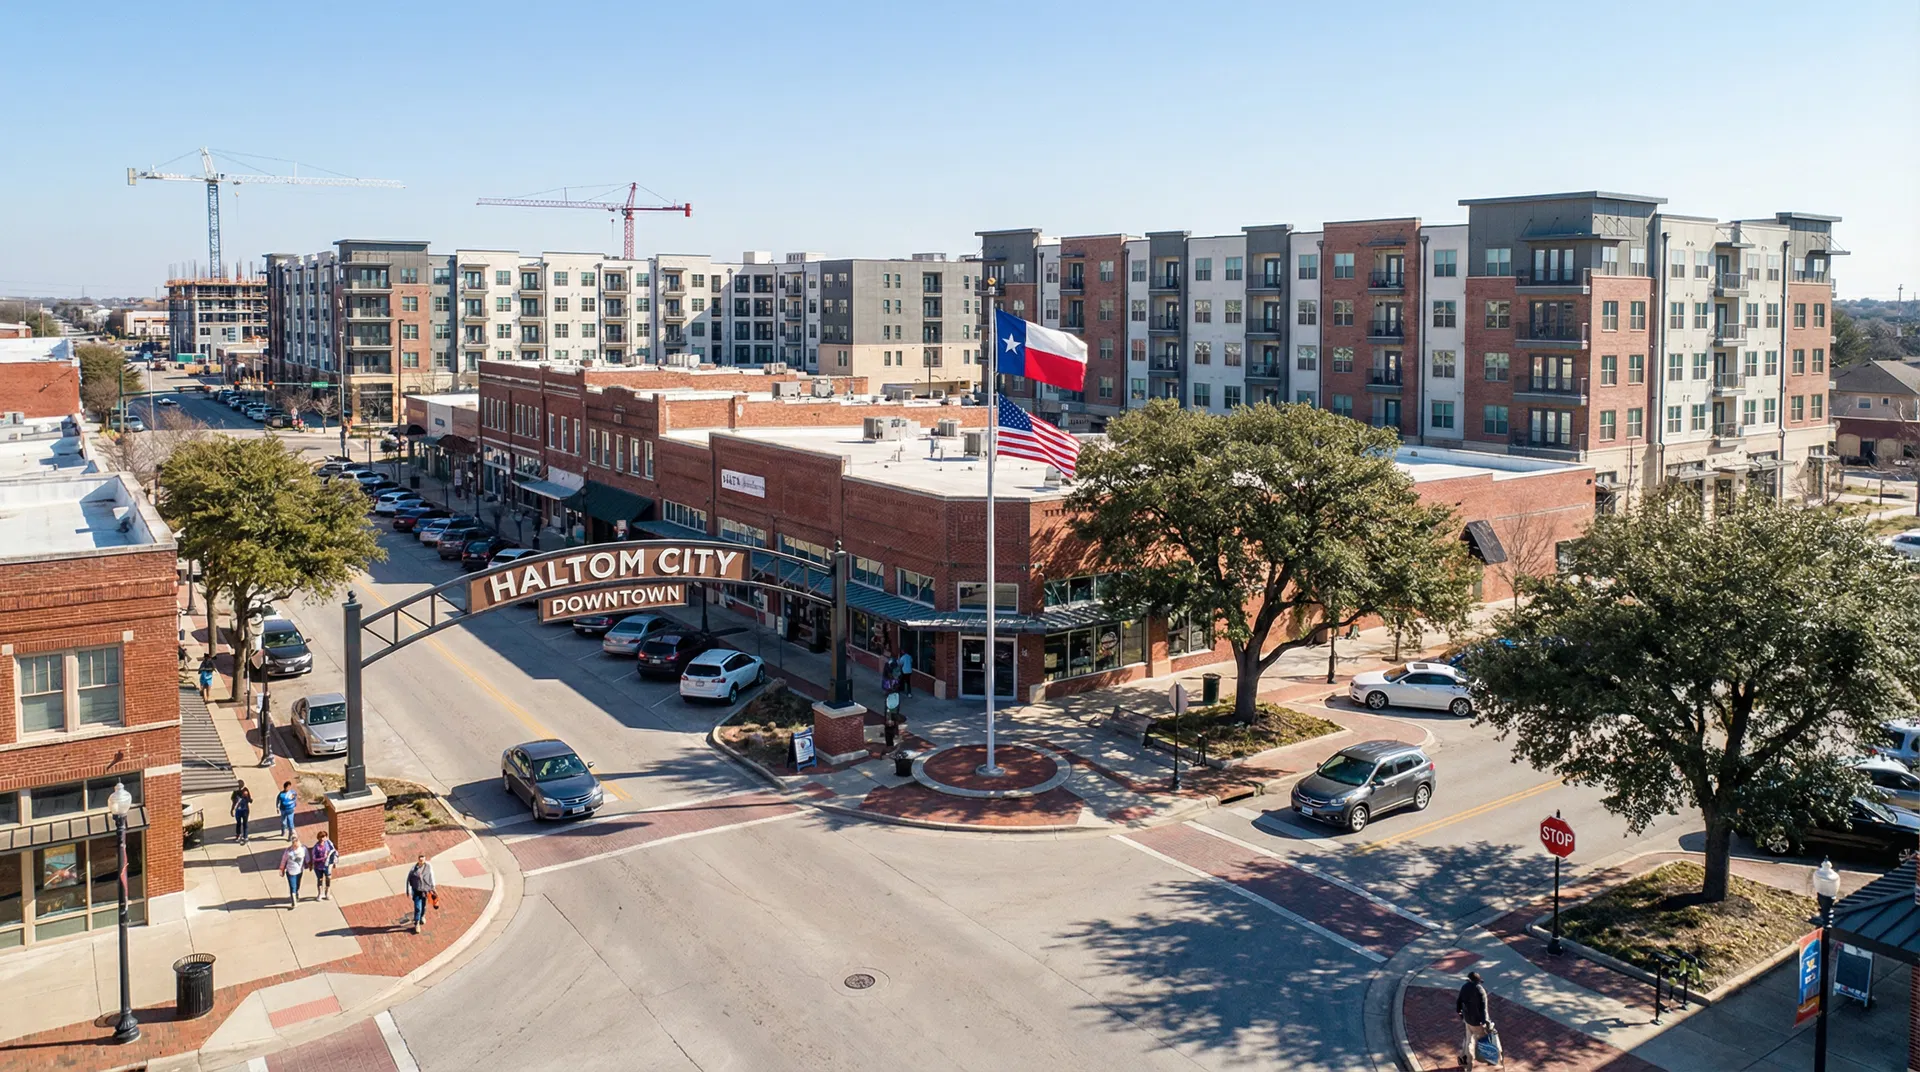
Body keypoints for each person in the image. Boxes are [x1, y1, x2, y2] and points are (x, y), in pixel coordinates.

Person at [1457, 970, 1497, 1069]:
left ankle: (1464, 1061)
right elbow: (1484, 1010)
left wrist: (1461, 1015)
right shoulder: (1481, 991)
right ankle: (1487, 1060)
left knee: (1468, 1039)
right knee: (1483, 1041)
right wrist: (1487, 1024)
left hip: (1467, 1019)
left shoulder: (1465, 987)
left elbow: (1459, 1002)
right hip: (1477, 1023)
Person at [405, 855, 436, 934]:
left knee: (424, 906)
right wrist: (408, 890)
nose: (421, 861)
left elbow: (431, 877)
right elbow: (408, 880)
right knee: (418, 908)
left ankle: (422, 916)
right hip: (417, 891)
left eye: (423, 860)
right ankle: (417, 923)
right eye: (420, 860)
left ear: (425, 859)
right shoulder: (413, 869)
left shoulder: (428, 867)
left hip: (425, 891)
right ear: (418, 860)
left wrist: (433, 887)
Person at [279, 836, 308, 909]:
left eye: (297, 845)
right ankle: (294, 901)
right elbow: (283, 860)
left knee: (297, 885)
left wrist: (309, 863)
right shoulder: (288, 851)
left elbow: (307, 857)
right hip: (290, 872)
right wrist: (281, 869)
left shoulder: (303, 849)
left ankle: (296, 893)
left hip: (299, 871)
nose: (296, 847)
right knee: (292, 887)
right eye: (294, 845)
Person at [310, 833, 338, 901]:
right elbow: (314, 858)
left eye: (324, 837)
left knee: (328, 878)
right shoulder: (316, 847)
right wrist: (322, 859)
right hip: (318, 866)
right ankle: (320, 893)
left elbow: (334, 851)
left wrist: (335, 860)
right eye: (321, 837)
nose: (322, 838)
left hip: (327, 865)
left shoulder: (329, 843)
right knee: (320, 879)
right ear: (318, 838)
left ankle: (327, 893)